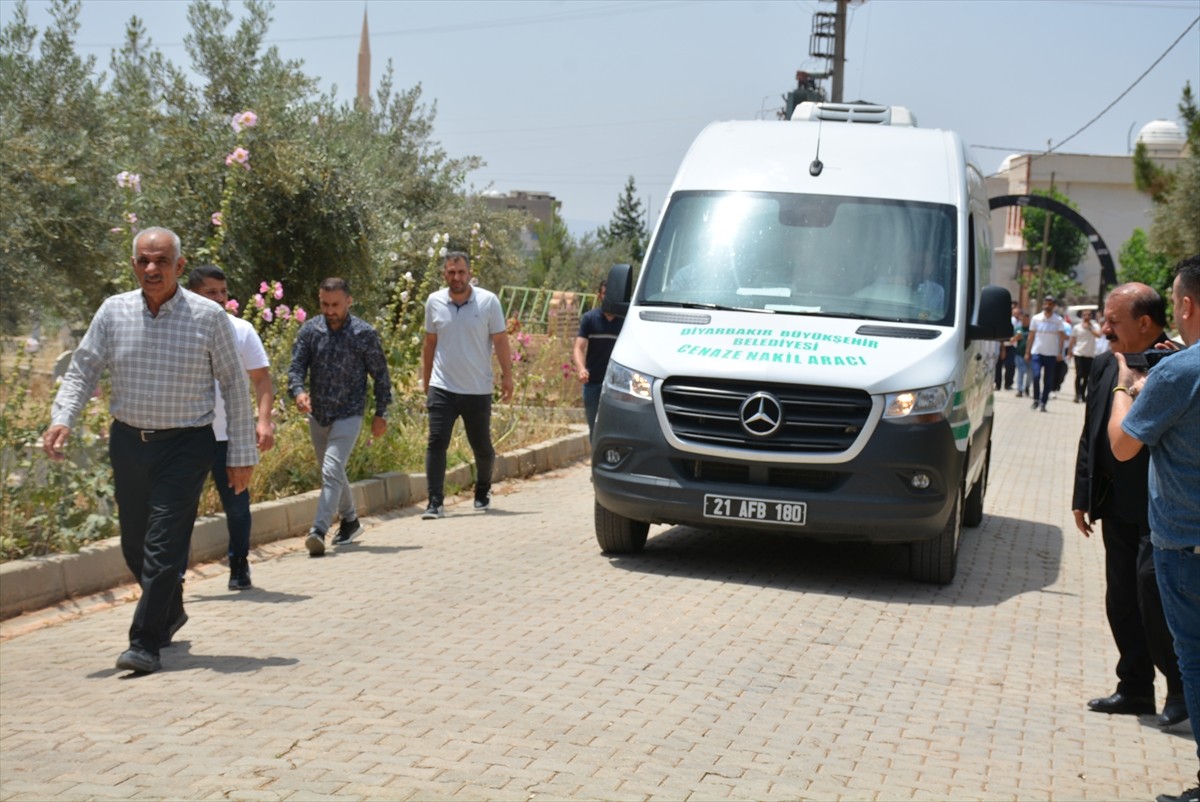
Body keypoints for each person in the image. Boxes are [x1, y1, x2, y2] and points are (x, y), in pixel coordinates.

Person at [42, 227, 256, 675]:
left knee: (163, 542)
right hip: (129, 441)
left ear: (179, 266)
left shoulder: (207, 317)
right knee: (135, 544)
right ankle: (170, 609)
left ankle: (144, 642)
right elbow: (83, 370)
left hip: (186, 443)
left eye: (161, 261)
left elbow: (236, 387)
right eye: (143, 261)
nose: (151, 269)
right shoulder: (113, 311)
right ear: (134, 265)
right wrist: (63, 418)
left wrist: (241, 453)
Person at [1107, 256, 1200, 802]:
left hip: (1185, 545)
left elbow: (1123, 446)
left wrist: (1127, 386)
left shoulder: (1178, 372)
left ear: (1185, 304)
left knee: (1194, 662)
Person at [1071, 283, 1183, 729]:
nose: (1105, 328)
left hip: (1161, 507)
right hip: (1115, 503)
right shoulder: (1104, 365)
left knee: (1154, 600)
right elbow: (1091, 432)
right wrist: (1082, 494)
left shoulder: (1176, 365)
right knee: (1122, 600)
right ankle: (1134, 688)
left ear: (1145, 323)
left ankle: (1181, 690)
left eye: (1113, 321)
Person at [287, 277, 391, 556]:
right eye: (324, 304)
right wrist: (298, 392)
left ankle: (318, 530)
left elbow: (381, 376)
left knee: (331, 470)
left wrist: (381, 413)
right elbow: (296, 367)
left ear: (349, 302)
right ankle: (350, 521)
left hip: (349, 413)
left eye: (335, 305)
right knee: (333, 472)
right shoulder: (310, 331)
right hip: (318, 414)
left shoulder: (363, 333)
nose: (330, 310)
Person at [185, 265, 275, 590]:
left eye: (223, 292)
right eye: (212, 293)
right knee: (180, 511)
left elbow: (262, 378)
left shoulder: (241, 329)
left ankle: (239, 564)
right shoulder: (177, 332)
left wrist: (263, 422)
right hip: (186, 437)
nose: (220, 299)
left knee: (237, 507)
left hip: (230, 437)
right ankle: (174, 576)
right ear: (193, 294)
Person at [421, 251, 513, 519]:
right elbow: (430, 343)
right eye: (451, 272)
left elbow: (500, 341)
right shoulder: (434, 302)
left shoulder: (488, 302)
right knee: (436, 441)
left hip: (477, 389)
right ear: (444, 274)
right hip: (443, 386)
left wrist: (507, 376)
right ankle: (435, 501)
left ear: (469, 273)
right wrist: (426, 381)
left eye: (461, 272)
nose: (456, 277)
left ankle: (483, 488)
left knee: (482, 446)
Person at [573, 280, 624, 438]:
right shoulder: (589, 319)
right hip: (593, 383)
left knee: (618, 428)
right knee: (594, 428)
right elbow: (578, 348)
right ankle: (596, 460)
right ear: (599, 296)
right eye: (605, 295)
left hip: (617, 385)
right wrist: (581, 369)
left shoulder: (625, 321)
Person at [1025, 294, 1066, 412]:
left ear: (1053, 306)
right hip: (1037, 352)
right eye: (1046, 303)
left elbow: (1061, 338)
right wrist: (1028, 351)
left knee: (1048, 380)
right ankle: (1036, 399)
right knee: (1036, 376)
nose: (1048, 305)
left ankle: (1043, 402)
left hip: (1051, 354)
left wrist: (1060, 352)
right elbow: (1031, 336)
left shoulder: (1058, 320)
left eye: (1050, 304)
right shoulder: (1036, 318)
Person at [1070, 309, 1101, 403]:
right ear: (1082, 316)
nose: (1086, 317)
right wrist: (1069, 351)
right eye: (1084, 315)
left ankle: (1083, 394)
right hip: (1079, 353)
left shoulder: (1095, 326)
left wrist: (1090, 328)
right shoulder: (1077, 327)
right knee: (1079, 374)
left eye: (1088, 315)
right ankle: (1077, 394)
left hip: (1090, 354)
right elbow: (1073, 339)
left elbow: (1098, 335)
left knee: (1087, 376)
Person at [1012, 311, 1032, 397]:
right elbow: (1011, 341)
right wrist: (1016, 337)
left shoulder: (1032, 330)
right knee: (1021, 372)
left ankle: (1027, 387)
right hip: (1019, 354)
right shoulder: (1018, 329)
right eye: (1023, 319)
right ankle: (1020, 390)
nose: (1024, 321)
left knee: (1030, 373)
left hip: (1031, 355)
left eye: (1026, 320)